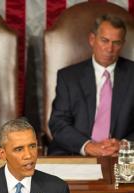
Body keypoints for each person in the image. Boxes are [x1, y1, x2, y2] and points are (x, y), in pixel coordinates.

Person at [48, 14, 134, 156]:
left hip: (121, 155)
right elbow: (58, 122)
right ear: (92, 40)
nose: (109, 48)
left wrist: (123, 145)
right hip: (75, 152)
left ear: (122, 44)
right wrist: (87, 146)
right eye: (104, 40)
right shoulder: (69, 77)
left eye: (116, 43)